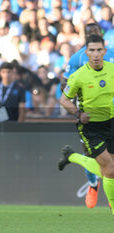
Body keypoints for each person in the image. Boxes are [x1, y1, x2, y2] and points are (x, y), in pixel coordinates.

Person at [58, 34, 114, 216]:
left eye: (99, 50)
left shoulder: (113, 70)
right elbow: (64, 100)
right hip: (90, 126)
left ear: (104, 51)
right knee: (110, 169)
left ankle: (72, 156)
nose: (96, 54)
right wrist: (78, 113)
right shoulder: (78, 76)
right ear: (86, 52)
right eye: (92, 50)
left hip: (111, 122)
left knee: (108, 169)